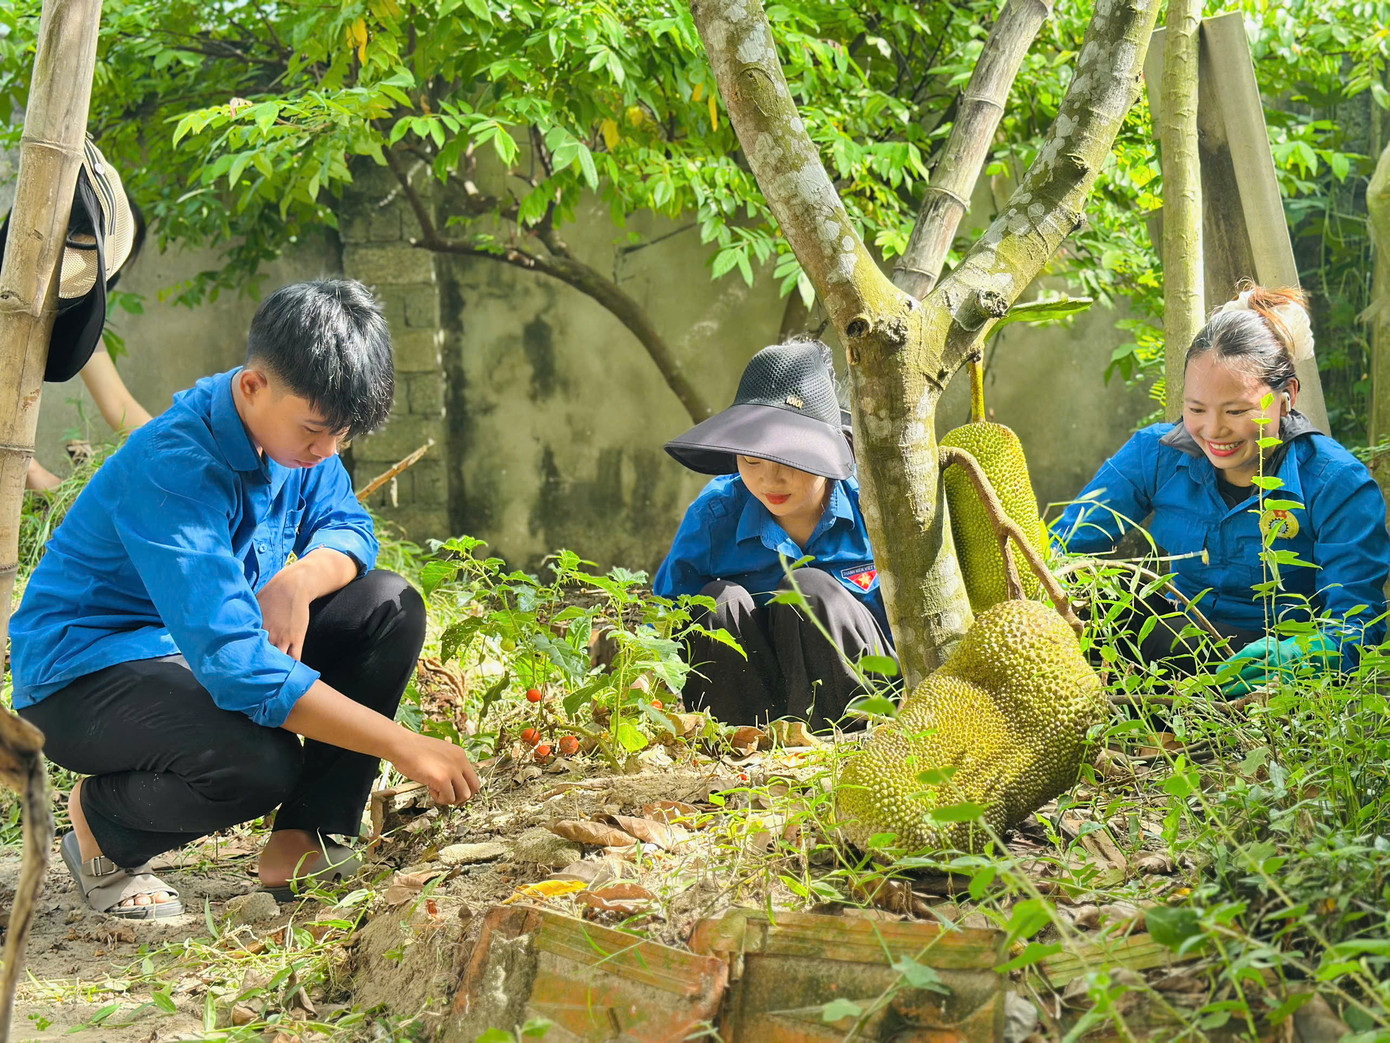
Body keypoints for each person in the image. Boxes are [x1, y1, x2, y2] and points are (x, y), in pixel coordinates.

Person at [10, 279, 481, 919]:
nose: (327, 452)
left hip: (188, 654)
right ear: (254, 385)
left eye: (341, 435)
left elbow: (351, 529)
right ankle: (103, 829)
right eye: (316, 431)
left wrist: (299, 580)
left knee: (387, 606)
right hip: (83, 678)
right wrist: (403, 744)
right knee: (259, 762)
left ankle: (304, 837)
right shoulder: (173, 465)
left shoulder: (300, 442)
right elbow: (237, 668)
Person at [1052, 286, 1389, 692]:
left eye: (1237, 411)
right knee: (1102, 596)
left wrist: (1299, 657)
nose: (1213, 431)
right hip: (1173, 645)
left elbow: (1358, 626)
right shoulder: (1153, 454)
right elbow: (1060, 551)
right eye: (1196, 409)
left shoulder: (1337, 484)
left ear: (1287, 397)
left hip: (1272, 678)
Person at [653, 338, 897, 731]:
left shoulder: (877, 507)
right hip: (751, 715)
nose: (771, 479)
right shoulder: (715, 515)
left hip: (862, 712)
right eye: (751, 459)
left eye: (790, 460)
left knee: (808, 588)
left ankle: (839, 744)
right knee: (717, 602)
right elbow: (663, 618)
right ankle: (738, 744)